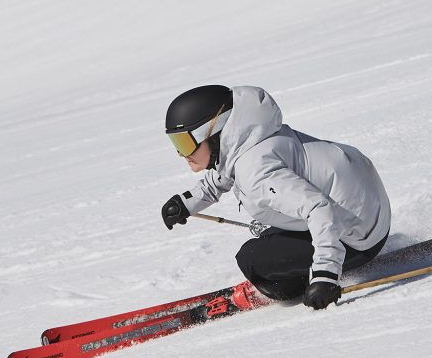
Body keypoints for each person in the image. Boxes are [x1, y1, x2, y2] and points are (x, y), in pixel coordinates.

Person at [161, 84, 391, 310]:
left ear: (215, 132)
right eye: (175, 143)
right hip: (367, 215)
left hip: (358, 238)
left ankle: (295, 285)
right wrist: (187, 202)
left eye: (184, 142)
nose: (181, 154)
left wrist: (325, 276)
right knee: (270, 238)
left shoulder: (257, 172)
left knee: (252, 259)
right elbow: (225, 170)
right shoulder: (254, 139)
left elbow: (319, 209)